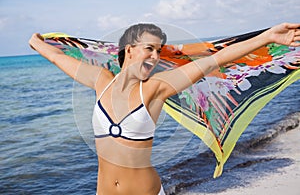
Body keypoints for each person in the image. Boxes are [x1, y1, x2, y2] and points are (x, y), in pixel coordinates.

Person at [29, 22, 300, 195]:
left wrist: (266, 37)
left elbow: (213, 60)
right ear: (130, 50)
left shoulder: (156, 87)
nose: (156, 57)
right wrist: (36, 41)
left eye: (159, 51)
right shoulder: (100, 81)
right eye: (150, 49)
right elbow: (56, 55)